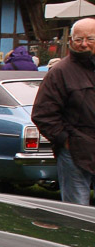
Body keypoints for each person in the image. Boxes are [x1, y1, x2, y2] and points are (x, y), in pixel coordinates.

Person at [32, 18, 95, 205]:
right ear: (70, 42)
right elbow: (42, 114)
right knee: (76, 212)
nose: (83, 44)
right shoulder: (60, 72)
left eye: (90, 38)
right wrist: (65, 141)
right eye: (78, 39)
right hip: (75, 152)